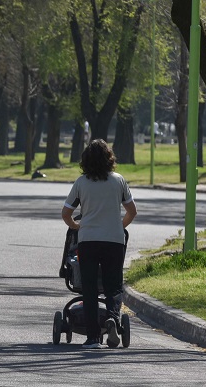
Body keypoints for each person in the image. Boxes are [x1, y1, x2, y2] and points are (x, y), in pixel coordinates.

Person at [62, 139, 137, 349]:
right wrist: (119, 226)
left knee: (89, 288)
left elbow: (66, 213)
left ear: (85, 160)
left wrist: (78, 226)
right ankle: (112, 318)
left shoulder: (81, 183)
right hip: (114, 240)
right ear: (109, 159)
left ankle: (93, 337)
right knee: (113, 286)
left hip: (88, 241)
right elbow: (132, 211)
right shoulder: (118, 181)